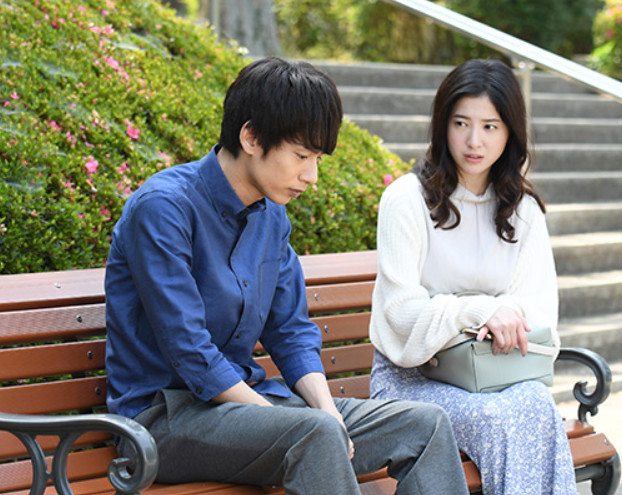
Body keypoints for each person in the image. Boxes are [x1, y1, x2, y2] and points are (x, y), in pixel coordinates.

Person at [105, 57, 469, 495]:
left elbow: (290, 332)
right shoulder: (163, 209)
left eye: (317, 159)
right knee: (314, 435)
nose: (311, 176)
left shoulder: (271, 216)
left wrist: (325, 410)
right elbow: (190, 351)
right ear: (251, 137)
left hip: (256, 408)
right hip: (162, 422)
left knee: (424, 425)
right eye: (301, 156)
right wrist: (288, 419)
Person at [369, 59, 578, 494]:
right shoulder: (406, 200)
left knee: (537, 403)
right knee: (498, 419)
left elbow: (540, 308)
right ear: (442, 125)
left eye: (490, 126)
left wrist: (500, 317)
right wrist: (481, 311)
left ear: (510, 132)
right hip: (411, 380)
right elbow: (400, 313)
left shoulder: (523, 210)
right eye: (461, 123)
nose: (473, 141)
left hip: (496, 374)